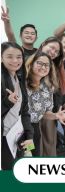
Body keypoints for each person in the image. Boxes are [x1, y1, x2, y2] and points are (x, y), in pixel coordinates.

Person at [25, 51, 65, 156]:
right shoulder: (23, 83)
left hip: (34, 129)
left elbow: (45, 112)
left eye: (47, 65)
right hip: (22, 129)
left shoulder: (48, 86)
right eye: (39, 63)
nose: (43, 67)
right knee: (24, 157)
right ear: (31, 64)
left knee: (35, 155)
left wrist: (55, 115)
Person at [1, 42, 34, 170]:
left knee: (22, 167)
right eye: (9, 56)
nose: (15, 60)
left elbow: (24, 111)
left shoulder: (19, 79)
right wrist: (7, 102)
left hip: (19, 135)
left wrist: (30, 137)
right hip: (5, 138)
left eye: (19, 57)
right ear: (1, 57)